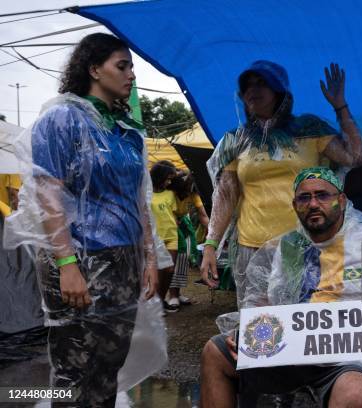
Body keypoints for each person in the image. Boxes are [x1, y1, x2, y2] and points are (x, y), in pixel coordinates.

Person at [200, 167, 362, 407]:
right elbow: (265, 300)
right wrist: (246, 331)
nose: (313, 204)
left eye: (322, 195)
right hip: (293, 351)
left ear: (341, 200)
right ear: (295, 205)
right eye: (304, 197)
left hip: (353, 356)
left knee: (353, 392)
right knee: (216, 353)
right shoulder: (288, 246)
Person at [6, 33, 159, 406]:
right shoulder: (61, 119)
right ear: (94, 69)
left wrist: (150, 258)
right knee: (74, 368)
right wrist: (67, 263)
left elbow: (139, 200)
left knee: (110, 362)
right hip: (78, 260)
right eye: (122, 66)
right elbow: (47, 196)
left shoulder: (127, 134)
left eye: (131, 67)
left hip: (124, 260)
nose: (131, 75)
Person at [201, 60, 362, 307]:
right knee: (259, 327)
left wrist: (341, 107)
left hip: (303, 245)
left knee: (303, 318)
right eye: (247, 85)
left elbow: (357, 156)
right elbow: (225, 196)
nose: (253, 90)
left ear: (279, 90)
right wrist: (211, 245)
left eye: (262, 83)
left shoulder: (309, 128)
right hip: (252, 247)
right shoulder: (235, 140)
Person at [167, 171, 210, 306]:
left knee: (183, 260)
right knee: (172, 262)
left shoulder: (193, 193)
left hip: (184, 226)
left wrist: (211, 232)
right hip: (169, 227)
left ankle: (177, 294)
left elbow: (202, 214)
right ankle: (171, 295)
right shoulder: (169, 194)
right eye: (187, 188)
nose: (188, 191)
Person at [150, 160, 181, 313]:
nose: (169, 182)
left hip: (171, 236)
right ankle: (154, 302)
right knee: (156, 271)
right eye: (167, 178)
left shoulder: (170, 194)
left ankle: (160, 300)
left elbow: (173, 214)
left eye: (171, 179)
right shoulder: (146, 193)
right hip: (155, 238)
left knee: (169, 270)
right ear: (158, 176)